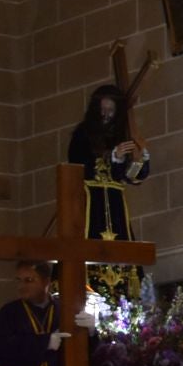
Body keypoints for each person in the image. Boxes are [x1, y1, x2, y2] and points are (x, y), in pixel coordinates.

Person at [68, 85, 151, 301]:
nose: (106, 115)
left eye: (111, 111)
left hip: (114, 201)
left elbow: (128, 176)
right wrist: (109, 156)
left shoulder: (120, 136)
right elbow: (77, 165)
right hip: (91, 199)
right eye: (102, 110)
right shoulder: (82, 135)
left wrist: (141, 156)